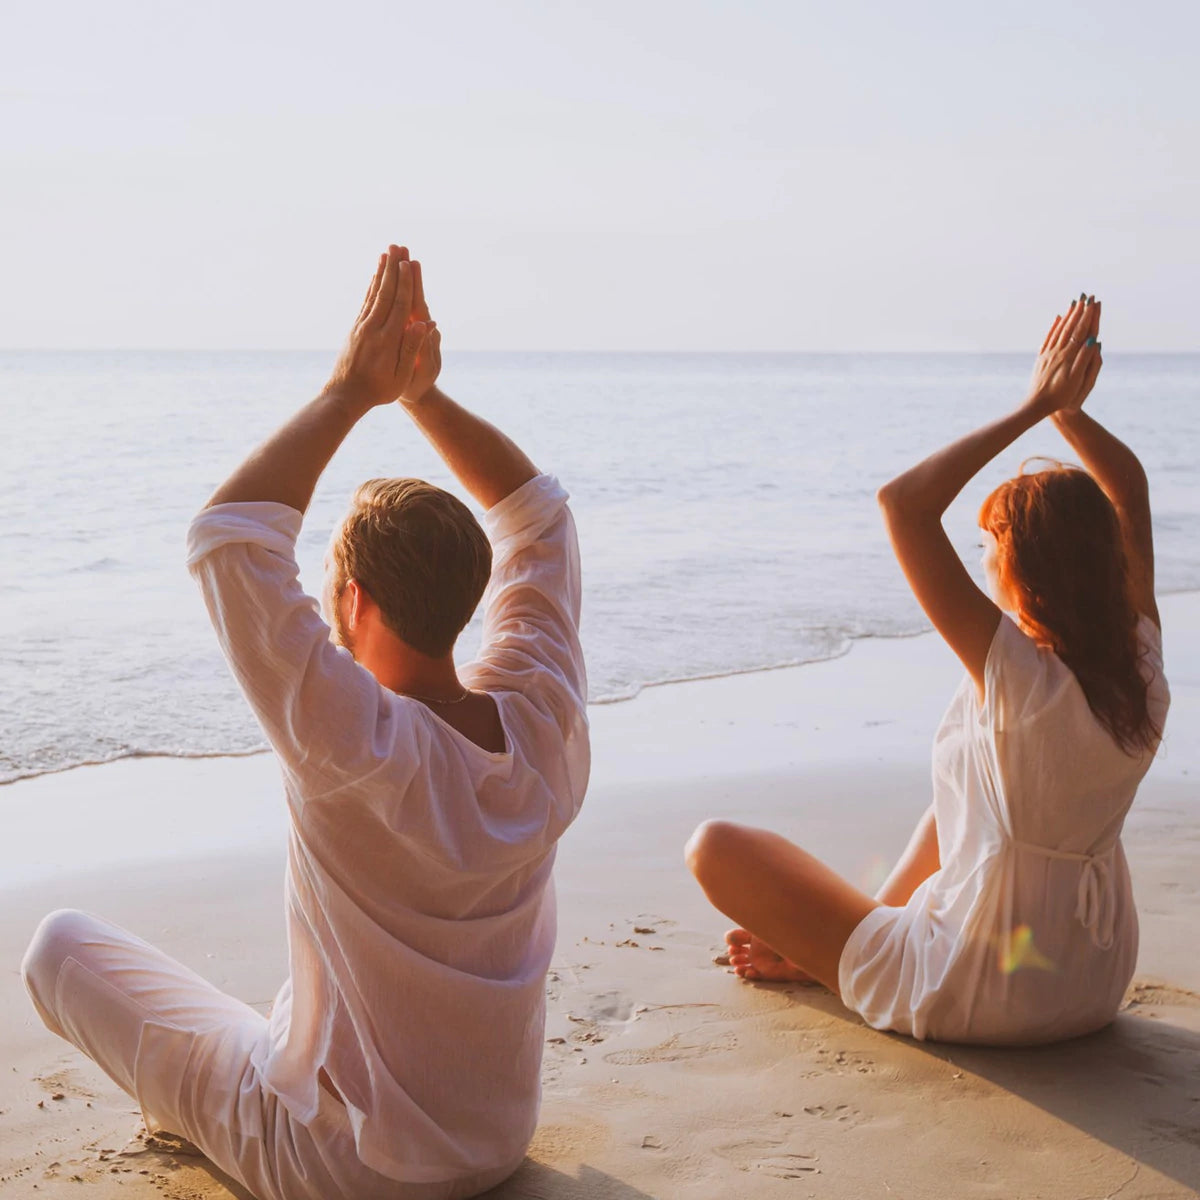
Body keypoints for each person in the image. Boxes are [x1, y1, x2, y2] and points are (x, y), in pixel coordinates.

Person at [22, 245, 589, 1198]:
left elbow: (227, 536)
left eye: (330, 582)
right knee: (280, 1022)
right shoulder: (543, 725)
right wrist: (421, 396)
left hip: (346, 1167)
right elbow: (538, 523)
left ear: (354, 600)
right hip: (497, 1143)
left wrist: (352, 390)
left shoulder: (351, 742)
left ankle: (240, 1100)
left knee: (58, 949)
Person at [685, 294, 1169, 1045]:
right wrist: (1069, 414)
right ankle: (856, 940)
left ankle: (843, 957)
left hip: (982, 988)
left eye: (990, 546)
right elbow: (1129, 495)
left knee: (712, 846)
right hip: (1091, 979)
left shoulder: (1020, 682)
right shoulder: (1140, 669)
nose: (982, 560)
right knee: (965, 780)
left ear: (1025, 571)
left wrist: (1038, 401)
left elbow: (903, 504)